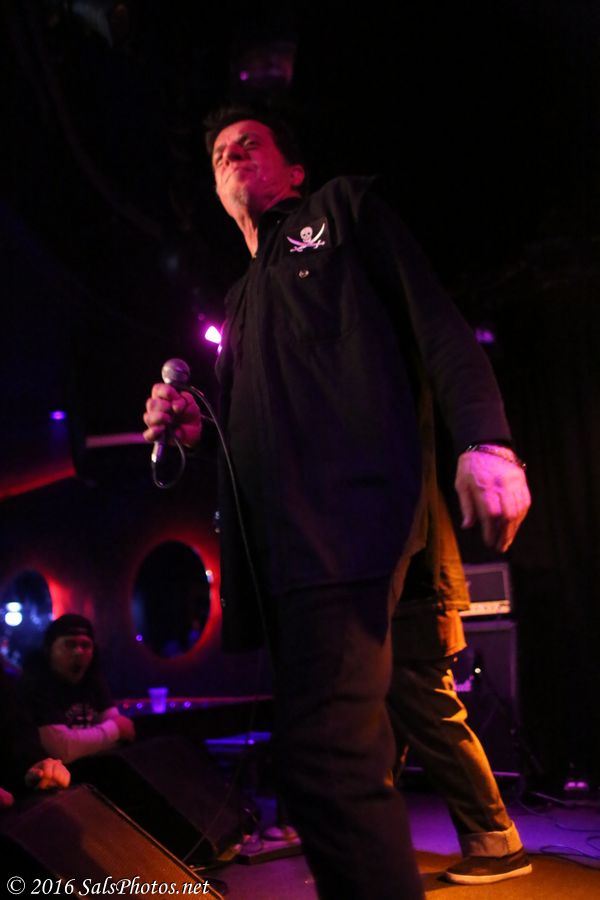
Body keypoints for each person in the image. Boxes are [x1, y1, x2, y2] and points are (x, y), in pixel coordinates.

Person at [143, 105, 531, 900]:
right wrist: (198, 431)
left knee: (325, 758)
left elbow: (437, 322)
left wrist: (486, 440)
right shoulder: (240, 299)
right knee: (330, 758)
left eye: (249, 144)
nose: (231, 156)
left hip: (351, 524)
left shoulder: (343, 212)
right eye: (218, 154)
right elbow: (257, 430)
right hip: (284, 559)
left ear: (293, 171)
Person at [387, 497, 532, 884]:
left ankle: (497, 842)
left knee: (433, 717)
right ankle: (372, 840)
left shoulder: (396, 467)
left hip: (415, 601)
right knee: (389, 723)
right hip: (413, 599)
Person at [20, 614, 135, 764]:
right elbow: (61, 750)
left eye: (85, 645)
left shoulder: (93, 680)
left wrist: (84, 743)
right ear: (49, 650)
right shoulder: (36, 685)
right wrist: (114, 731)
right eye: (69, 644)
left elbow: (124, 734)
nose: (79, 652)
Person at [1, 665, 70, 808]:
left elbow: (18, 735)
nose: (78, 653)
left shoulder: (5, 685)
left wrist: (37, 767)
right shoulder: (37, 682)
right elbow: (62, 746)